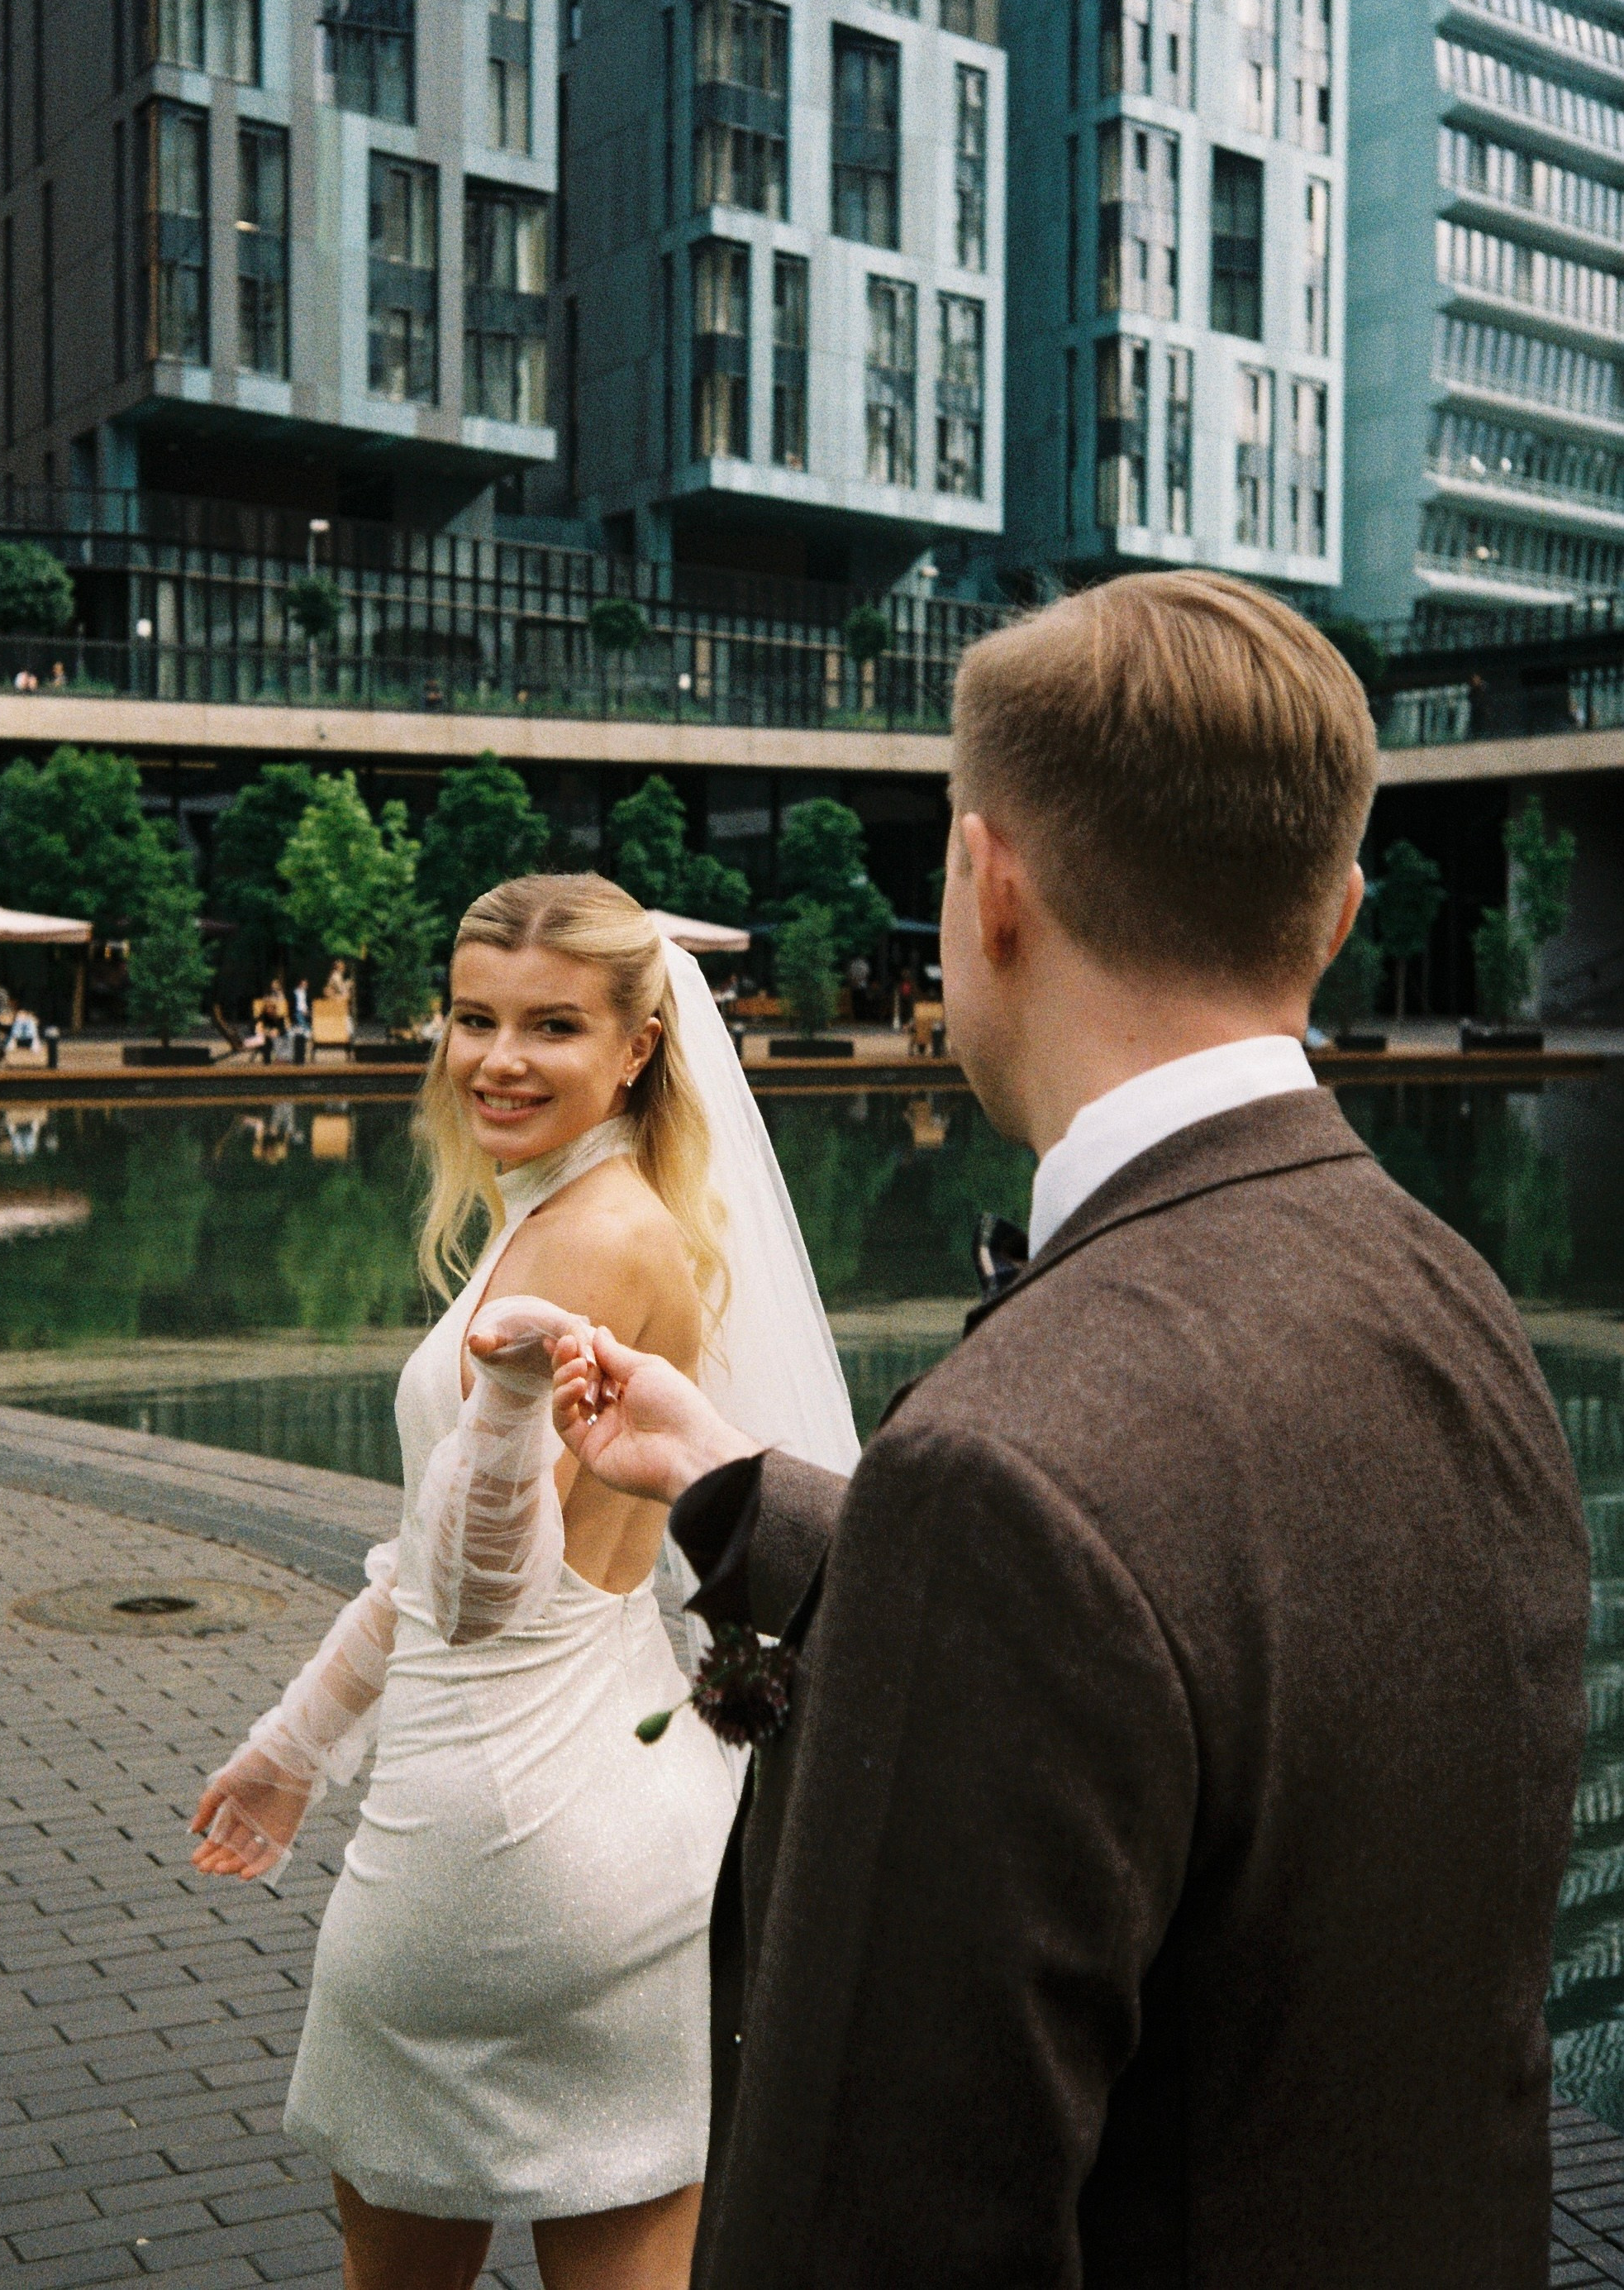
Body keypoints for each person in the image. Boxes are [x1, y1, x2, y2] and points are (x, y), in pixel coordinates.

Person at [553, 571, 1589, 2290]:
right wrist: (751, 1496)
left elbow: (874, 2231)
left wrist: (921, 1532)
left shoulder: (1002, 1468)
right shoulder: (1454, 1298)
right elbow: (1223, 1658)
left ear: (986, 882)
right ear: (1333, 916)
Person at [188, 875, 855, 2290]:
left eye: (551, 1023)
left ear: (636, 1046)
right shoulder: (588, 1208)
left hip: (482, 1849)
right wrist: (291, 1748)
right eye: (473, 1015)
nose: (496, 1056)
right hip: (622, 1830)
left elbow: (478, 1594)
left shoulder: (597, 1238)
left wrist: (495, 1412)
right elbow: (427, 1575)